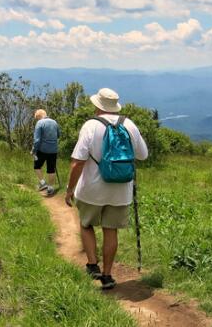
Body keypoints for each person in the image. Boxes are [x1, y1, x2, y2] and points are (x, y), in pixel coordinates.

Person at [64, 88, 148, 289]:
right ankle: (108, 276)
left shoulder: (90, 126)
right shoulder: (129, 124)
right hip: (121, 190)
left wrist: (69, 189)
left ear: (97, 106)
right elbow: (143, 155)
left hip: (91, 189)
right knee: (111, 231)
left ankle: (92, 264)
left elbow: (77, 162)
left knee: (86, 224)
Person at [32, 109, 61, 196]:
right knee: (51, 169)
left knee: (37, 166)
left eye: (37, 118)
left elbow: (37, 140)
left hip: (42, 150)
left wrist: (34, 150)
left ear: (38, 116)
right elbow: (58, 135)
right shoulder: (54, 122)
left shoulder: (40, 123)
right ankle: (50, 188)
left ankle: (42, 183)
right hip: (53, 150)